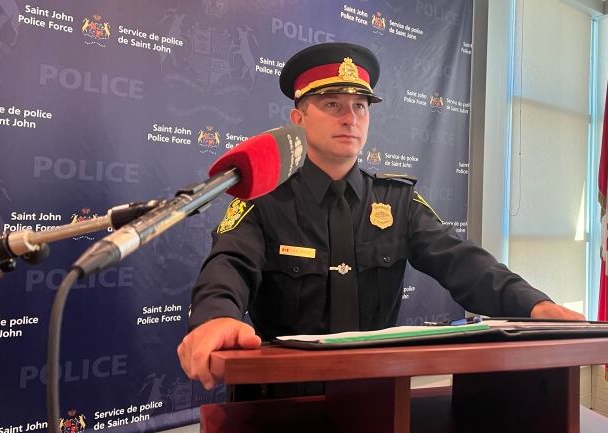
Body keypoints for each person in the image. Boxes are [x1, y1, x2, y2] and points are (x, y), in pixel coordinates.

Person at [177, 42, 584, 391]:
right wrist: (215, 319)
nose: (349, 117)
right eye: (332, 104)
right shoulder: (263, 198)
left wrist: (535, 306)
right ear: (298, 119)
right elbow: (227, 266)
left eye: (360, 106)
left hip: (378, 397)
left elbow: (464, 263)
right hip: (282, 398)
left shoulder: (397, 201)